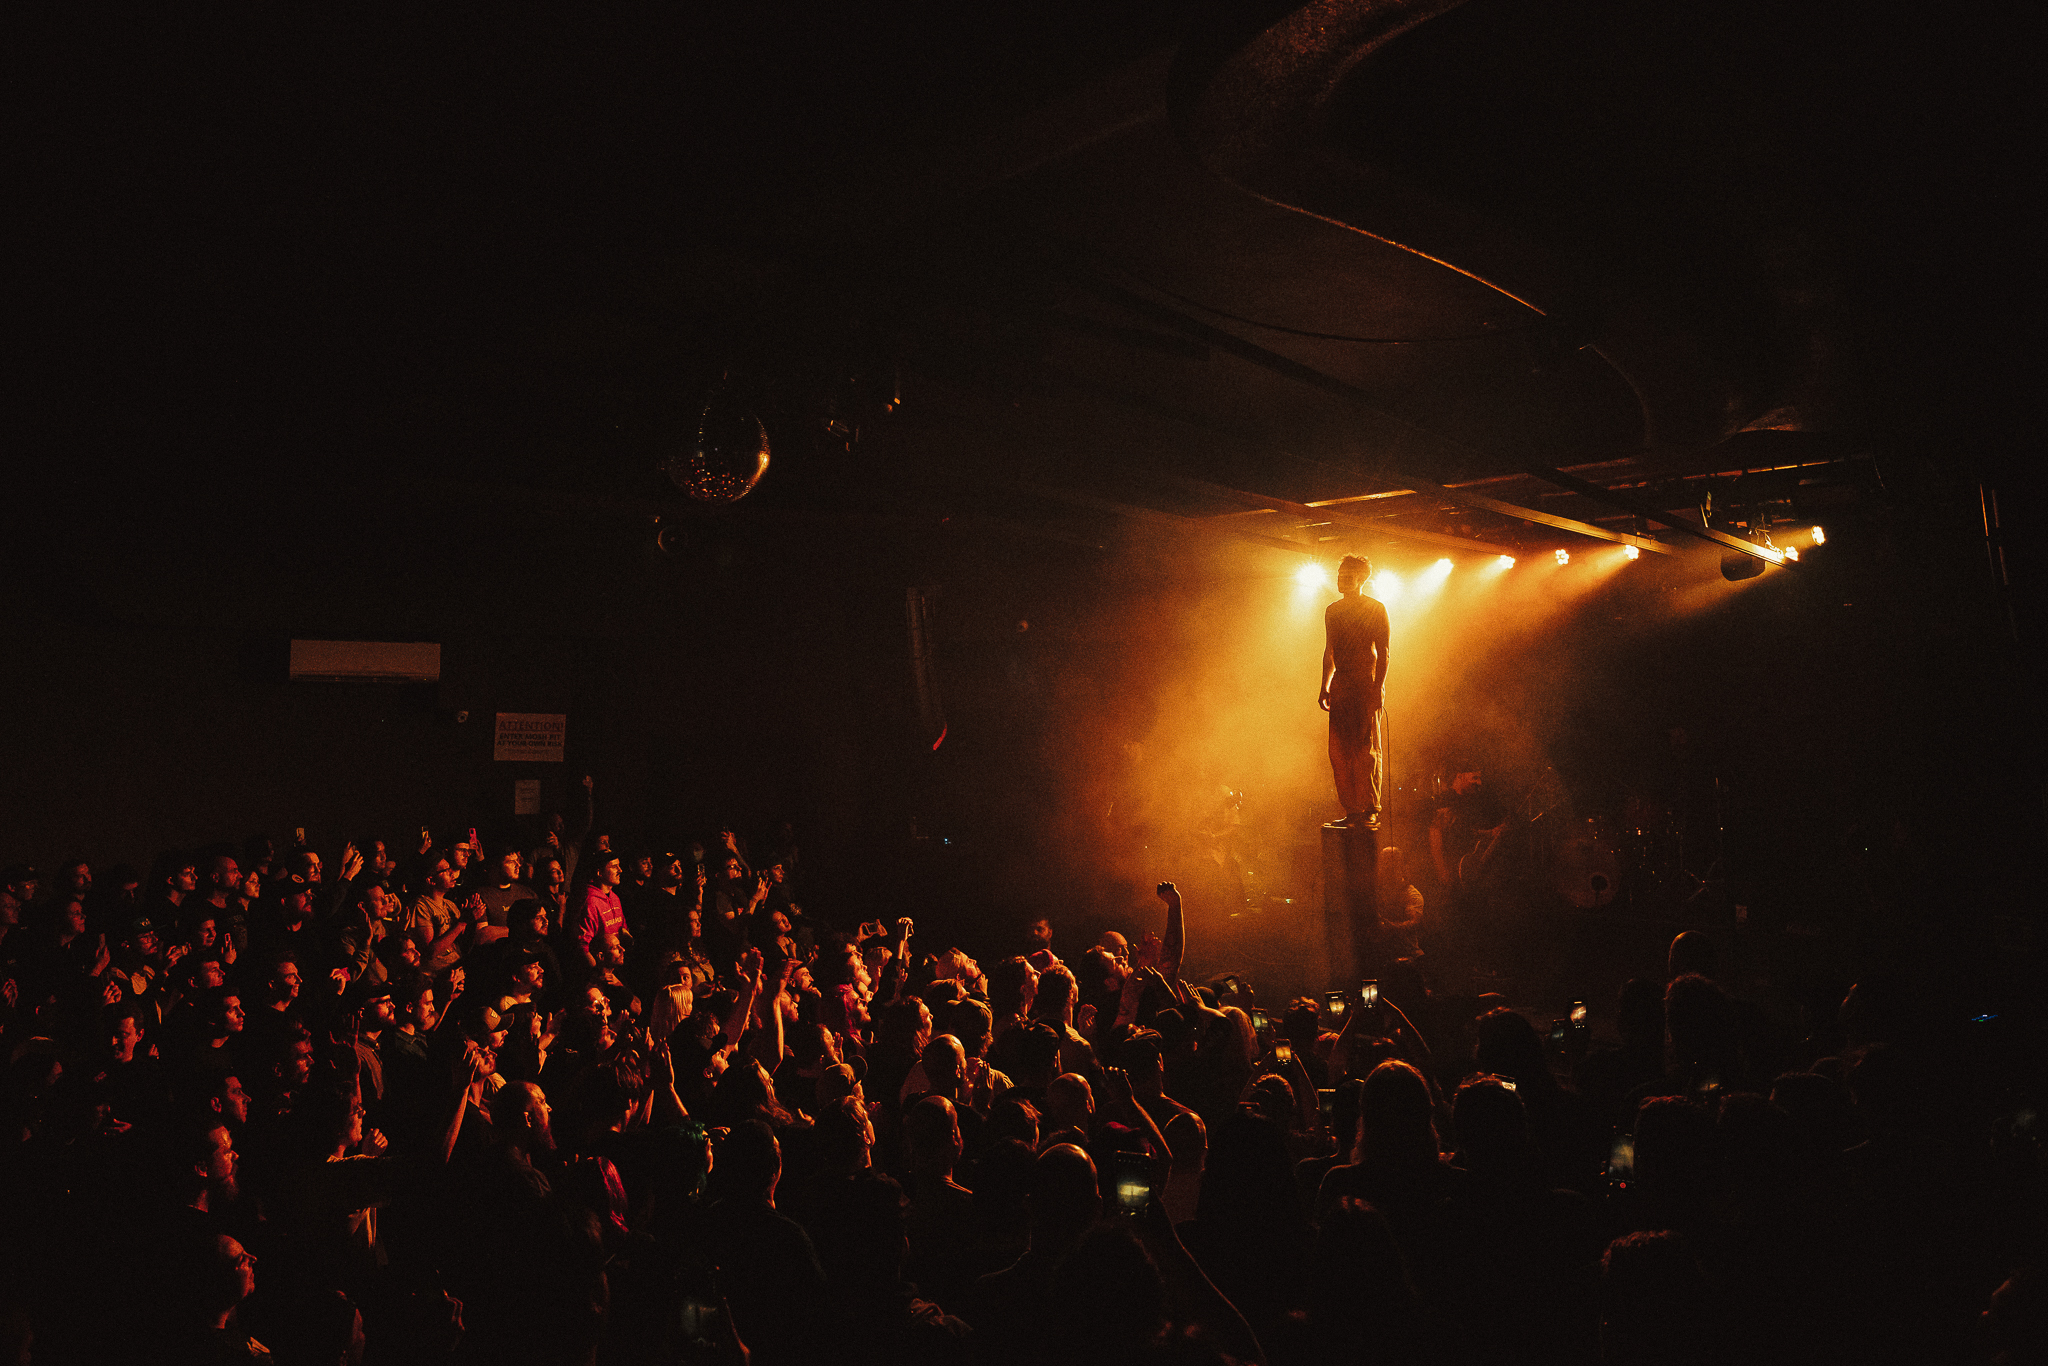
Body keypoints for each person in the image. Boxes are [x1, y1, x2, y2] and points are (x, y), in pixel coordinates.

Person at [1319, 554, 1390, 828]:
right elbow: (1330, 650)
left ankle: (1370, 807)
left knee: (1365, 749)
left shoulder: (1375, 608)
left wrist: (1378, 687)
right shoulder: (1332, 611)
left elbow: (1383, 651)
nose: (1341, 579)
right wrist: (1325, 686)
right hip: (1342, 684)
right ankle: (1352, 809)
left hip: (1364, 682)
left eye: (1347, 575)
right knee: (1339, 751)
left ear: (1361, 579)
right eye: (1339, 575)